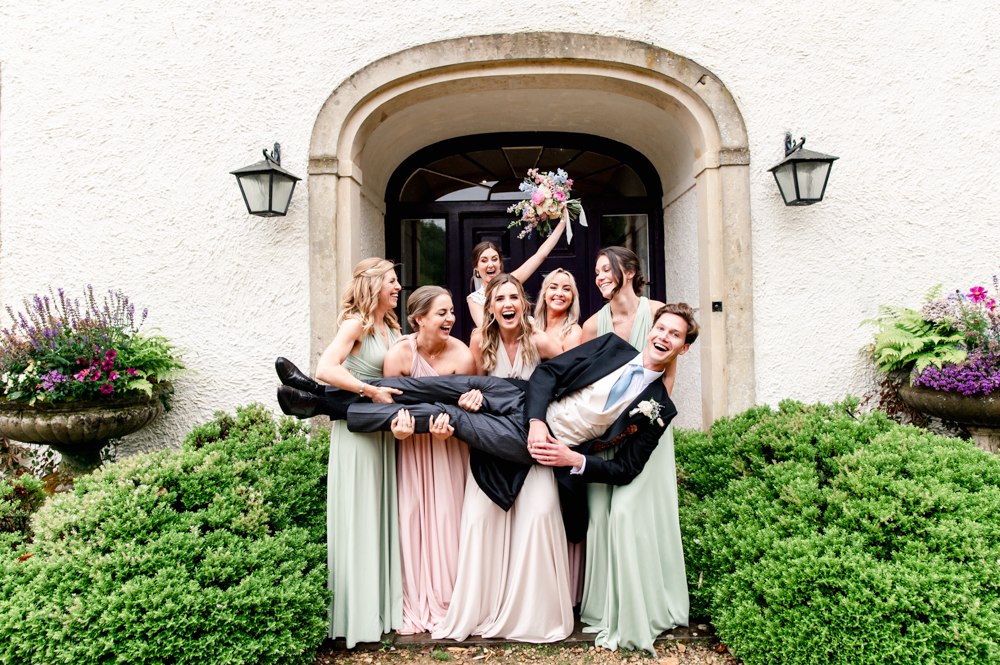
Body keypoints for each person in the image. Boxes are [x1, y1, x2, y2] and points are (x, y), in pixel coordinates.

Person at [275, 304, 696, 548]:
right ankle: (320, 393)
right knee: (428, 388)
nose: (662, 337)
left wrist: (572, 458)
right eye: (660, 327)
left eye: (673, 335)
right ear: (651, 328)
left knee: (453, 417)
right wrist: (534, 417)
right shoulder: (611, 347)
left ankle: (323, 407)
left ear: (683, 347)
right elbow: (547, 376)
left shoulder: (659, 407)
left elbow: (626, 469)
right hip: (520, 399)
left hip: (541, 444)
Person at [433, 274, 572, 643]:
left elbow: (570, 386)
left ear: (523, 303)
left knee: (541, 511)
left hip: (532, 443)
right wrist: (471, 401)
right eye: (500, 298)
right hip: (492, 443)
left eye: (514, 297)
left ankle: (533, 615)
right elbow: (471, 387)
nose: (508, 304)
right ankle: (481, 609)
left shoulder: (541, 340)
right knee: (480, 518)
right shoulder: (479, 341)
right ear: (490, 307)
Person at [275, 257, 403, 648]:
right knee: (361, 516)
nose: (399, 287)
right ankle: (358, 618)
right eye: (393, 281)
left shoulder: (392, 326)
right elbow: (327, 367)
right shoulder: (357, 324)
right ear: (374, 285)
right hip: (357, 434)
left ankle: (311, 400)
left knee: (376, 516)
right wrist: (369, 391)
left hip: (379, 429)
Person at [579, 247, 693, 653]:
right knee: (599, 518)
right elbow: (585, 382)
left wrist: (637, 429)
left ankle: (651, 606)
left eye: (604, 270)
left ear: (628, 272)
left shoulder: (661, 314)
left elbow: (667, 384)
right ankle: (603, 606)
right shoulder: (593, 325)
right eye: (595, 273)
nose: (598, 278)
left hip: (646, 436)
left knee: (633, 516)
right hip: (603, 438)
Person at [381, 286, 476, 634]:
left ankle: (452, 597)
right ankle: (416, 595)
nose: (451, 318)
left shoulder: (463, 356)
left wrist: (455, 422)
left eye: (451, 311)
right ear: (419, 319)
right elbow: (388, 410)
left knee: (449, 518)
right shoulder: (398, 355)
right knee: (412, 517)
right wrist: (400, 431)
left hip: (449, 449)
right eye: (442, 313)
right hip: (412, 449)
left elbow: (470, 411)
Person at [467, 217, 566, 328]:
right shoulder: (474, 299)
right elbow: (485, 328)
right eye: (484, 261)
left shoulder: (511, 281)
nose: (490, 264)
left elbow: (541, 255)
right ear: (476, 266)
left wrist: (563, 222)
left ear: (500, 263)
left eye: (494, 259)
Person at [533, 268, 583, 353]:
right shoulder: (533, 327)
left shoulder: (574, 334)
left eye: (566, 289)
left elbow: (569, 366)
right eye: (553, 287)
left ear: (572, 299)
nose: (559, 294)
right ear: (544, 294)